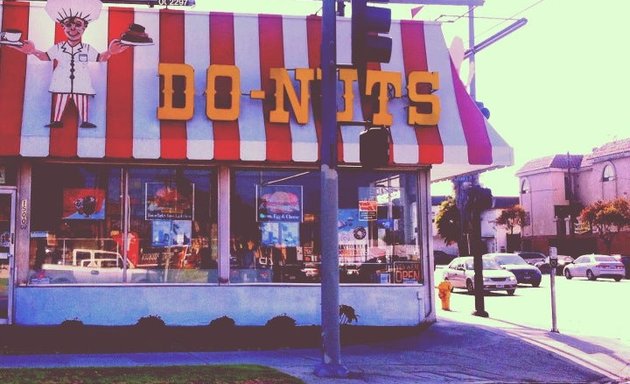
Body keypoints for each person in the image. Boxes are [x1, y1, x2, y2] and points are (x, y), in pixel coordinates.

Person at [8, 0, 130, 129]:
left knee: (82, 98)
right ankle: (57, 120)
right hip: (62, 80)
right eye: (68, 24)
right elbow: (45, 57)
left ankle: (85, 120)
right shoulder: (59, 47)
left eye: (78, 24)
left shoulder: (87, 48)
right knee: (61, 97)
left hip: (81, 81)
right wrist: (33, 51)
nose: (73, 28)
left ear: (84, 27)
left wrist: (110, 52)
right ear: (63, 27)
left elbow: (100, 58)